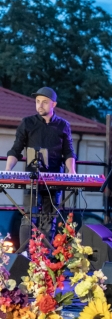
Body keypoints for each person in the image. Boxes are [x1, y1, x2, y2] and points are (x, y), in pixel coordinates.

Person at [5, 86, 76, 251]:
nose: (40, 105)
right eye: (38, 102)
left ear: (54, 104)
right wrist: (7, 170)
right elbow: (16, 149)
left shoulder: (63, 125)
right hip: (32, 178)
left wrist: (72, 173)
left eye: (44, 102)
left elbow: (68, 152)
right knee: (28, 217)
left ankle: (44, 257)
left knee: (48, 218)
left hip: (54, 179)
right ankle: (24, 255)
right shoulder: (27, 123)